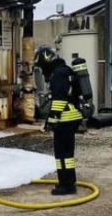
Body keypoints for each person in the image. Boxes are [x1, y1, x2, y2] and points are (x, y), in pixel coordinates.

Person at [35, 45, 83, 195]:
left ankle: (67, 185)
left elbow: (59, 100)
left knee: (63, 153)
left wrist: (51, 122)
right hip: (70, 118)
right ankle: (66, 182)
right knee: (65, 153)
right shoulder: (64, 70)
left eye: (42, 66)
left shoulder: (59, 74)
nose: (42, 71)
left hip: (65, 119)